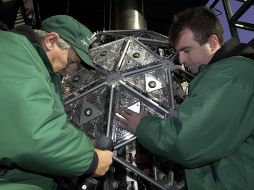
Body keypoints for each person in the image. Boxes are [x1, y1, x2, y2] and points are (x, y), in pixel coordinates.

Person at [117, 7, 254, 190]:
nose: (181, 59)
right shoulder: (219, 76)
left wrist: (143, 125)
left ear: (212, 43)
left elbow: (187, 141)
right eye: (178, 51)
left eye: (186, 50)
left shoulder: (232, 75)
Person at [0, 15, 113, 190]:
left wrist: (84, 143)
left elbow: (45, 119)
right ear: (51, 41)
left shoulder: (38, 68)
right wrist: (92, 160)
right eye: (72, 62)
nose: (71, 71)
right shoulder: (14, 53)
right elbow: (35, 133)